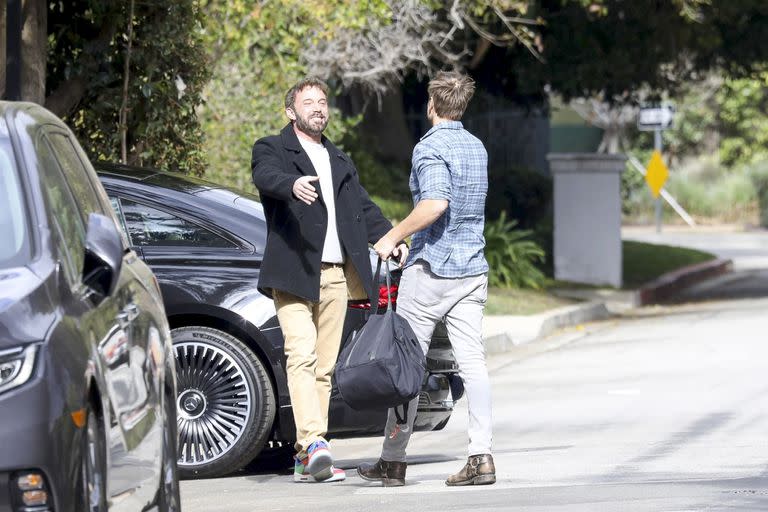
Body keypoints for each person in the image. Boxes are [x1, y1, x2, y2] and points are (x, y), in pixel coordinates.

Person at [251, 77, 408, 483]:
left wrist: (390, 237)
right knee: (300, 356)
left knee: (324, 367)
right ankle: (317, 442)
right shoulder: (273, 148)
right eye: (309, 103)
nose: (318, 108)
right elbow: (265, 176)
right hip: (293, 273)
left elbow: (363, 207)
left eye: (322, 102)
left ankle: (308, 457)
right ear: (291, 111)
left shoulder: (339, 159)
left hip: (336, 276)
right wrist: (291, 184)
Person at [357, 71, 495, 487]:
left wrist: (392, 236)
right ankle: (481, 455)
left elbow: (435, 203)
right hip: (472, 270)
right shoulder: (476, 146)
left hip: (432, 270)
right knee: (474, 364)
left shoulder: (430, 146)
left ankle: (393, 460)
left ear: (431, 105)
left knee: (407, 365)